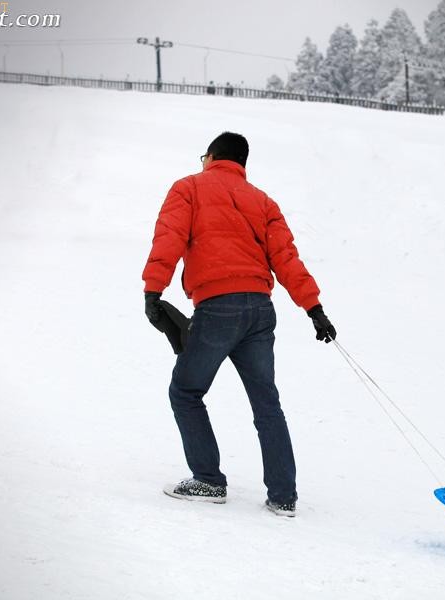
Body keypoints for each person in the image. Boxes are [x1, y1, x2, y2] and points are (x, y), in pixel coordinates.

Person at [142, 132, 336, 518]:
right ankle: (283, 496)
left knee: (185, 391)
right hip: (260, 312)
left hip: (217, 308)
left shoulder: (188, 188)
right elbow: (286, 259)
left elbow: (170, 237)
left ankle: (208, 480)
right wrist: (314, 309)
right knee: (267, 404)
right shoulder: (263, 202)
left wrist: (153, 290)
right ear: (242, 164)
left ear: (211, 156)